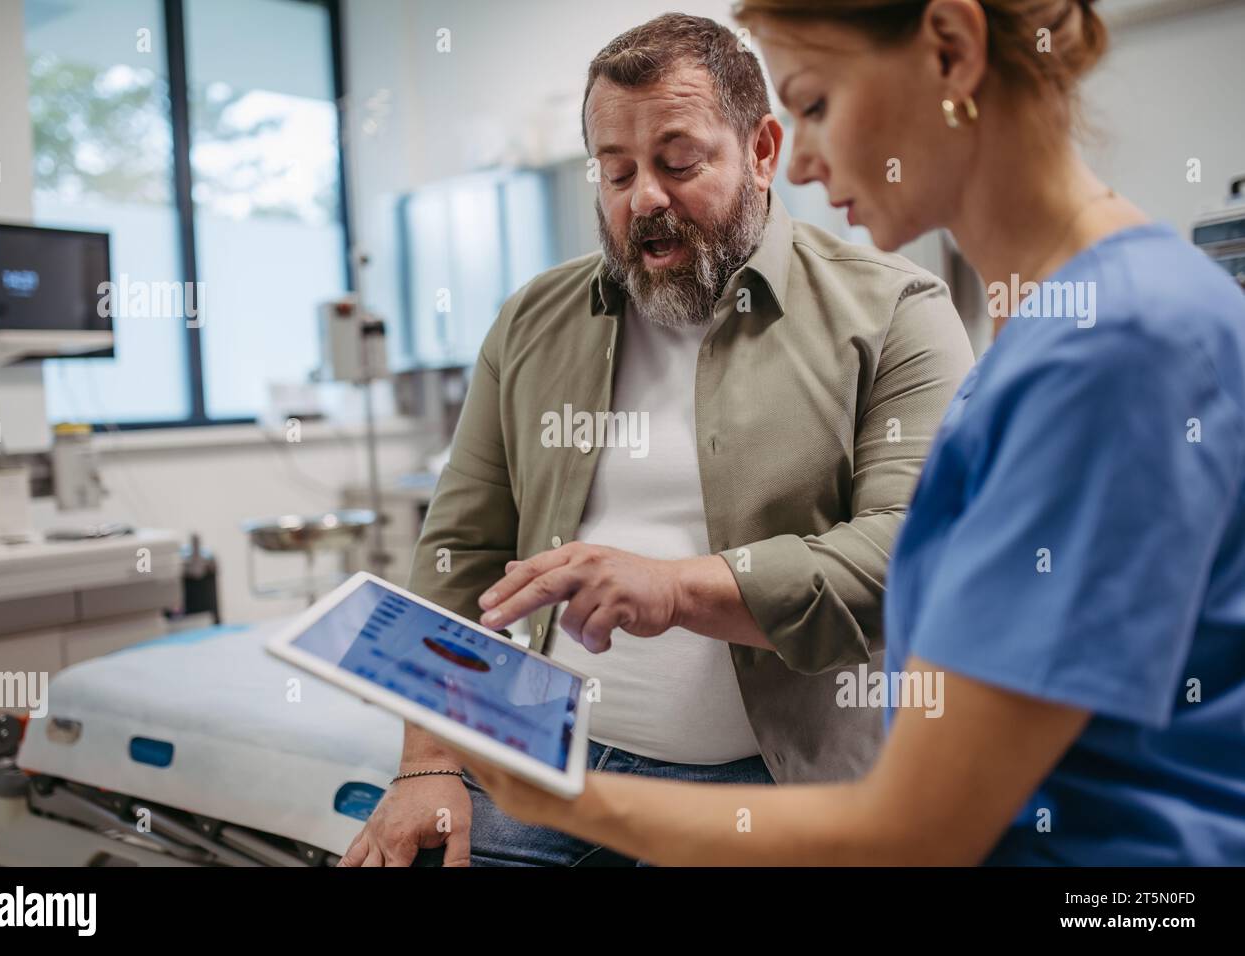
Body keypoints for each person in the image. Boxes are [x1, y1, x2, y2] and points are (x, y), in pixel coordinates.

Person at [452, 0, 1245, 865]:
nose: (807, 155)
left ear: (950, 50)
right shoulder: (1065, 329)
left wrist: (557, 795)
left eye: (817, 104)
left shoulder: (1115, 345)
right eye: (616, 170)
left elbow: (918, 828)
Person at [339, 12, 972, 867]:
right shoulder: (534, 319)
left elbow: (906, 558)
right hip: (533, 767)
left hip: (766, 787)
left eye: (678, 163)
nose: (644, 199)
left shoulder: (896, 311)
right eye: (616, 171)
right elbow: (458, 551)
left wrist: (673, 589)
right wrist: (426, 762)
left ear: (761, 150)